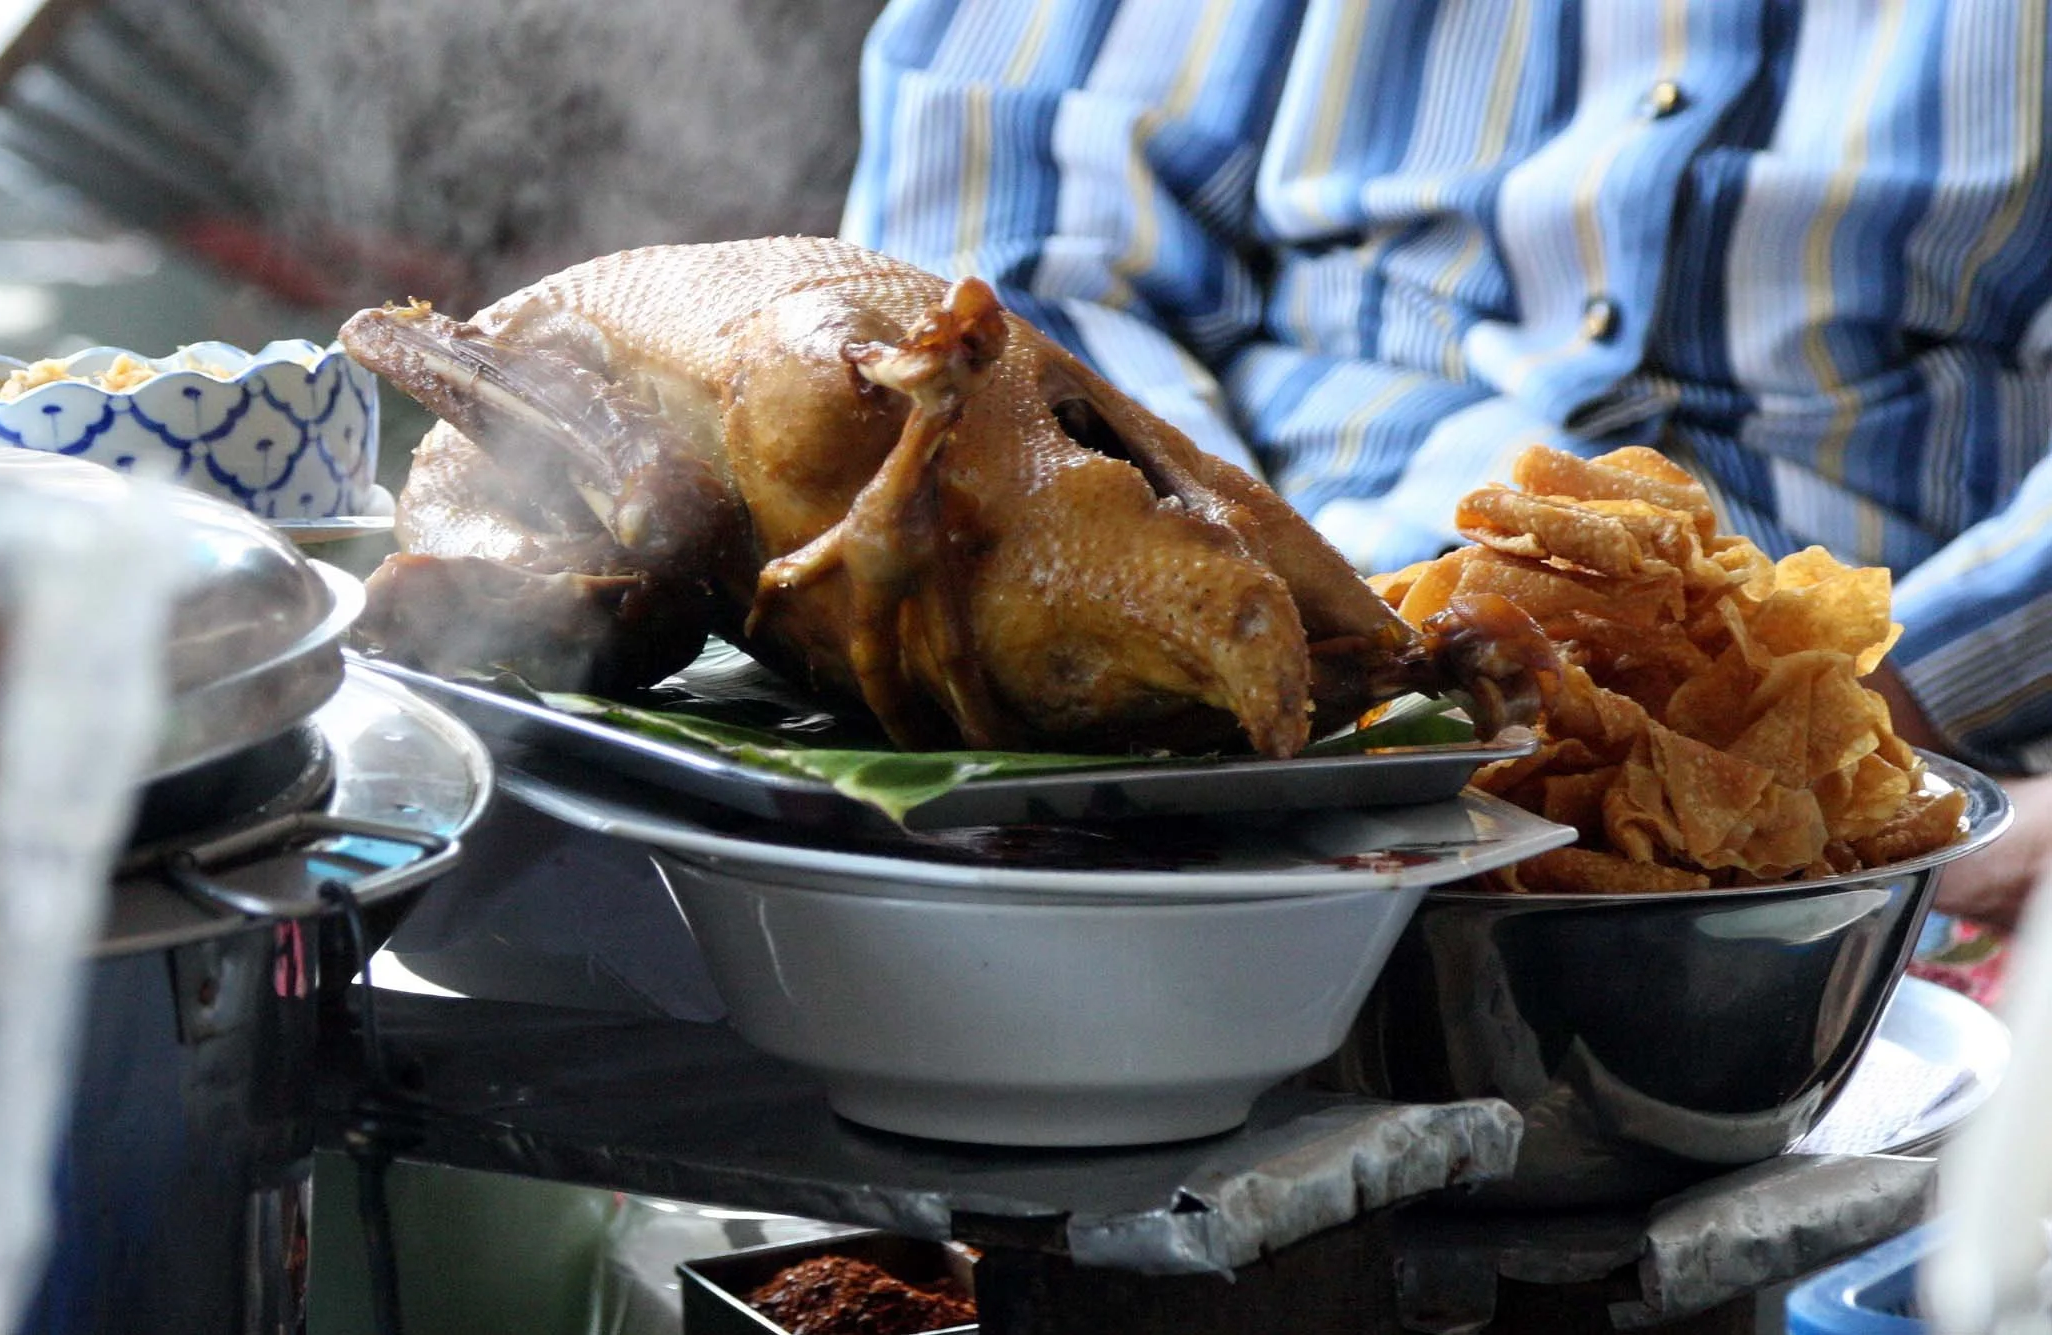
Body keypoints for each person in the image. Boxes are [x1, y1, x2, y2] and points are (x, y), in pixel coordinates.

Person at [839, 0, 2052, 933]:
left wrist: (1880, 720)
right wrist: (1249, 618)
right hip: (1257, 627)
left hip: (1923, 728)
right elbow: (998, 265)